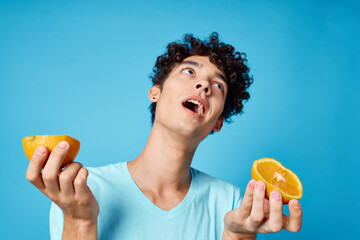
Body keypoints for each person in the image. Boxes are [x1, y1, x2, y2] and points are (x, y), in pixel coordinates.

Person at [26, 32, 302, 240]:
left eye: (218, 85)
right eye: (189, 71)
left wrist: (238, 236)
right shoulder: (81, 192)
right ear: (155, 93)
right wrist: (80, 220)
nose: (203, 84)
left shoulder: (230, 202)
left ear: (217, 122)